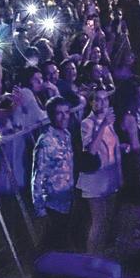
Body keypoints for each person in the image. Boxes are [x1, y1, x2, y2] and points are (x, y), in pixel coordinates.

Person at [76, 87, 121, 257]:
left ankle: (101, 254)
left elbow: (114, 147)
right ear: (92, 103)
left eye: (105, 99)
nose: (102, 103)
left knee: (107, 219)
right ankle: (91, 258)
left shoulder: (110, 123)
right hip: (95, 178)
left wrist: (120, 174)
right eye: (98, 100)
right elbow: (92, 150)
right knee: (98, 221)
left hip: (110, 176)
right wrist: (102, 125)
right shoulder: (87, 123)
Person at [30, 96, 77, 251]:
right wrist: (40, 209)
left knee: (63, 242)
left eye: (67, 112)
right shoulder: (46, 141)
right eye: (59, 113)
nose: (64, 117)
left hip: (67, 200)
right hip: (52, 204)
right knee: (50, 246)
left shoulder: (67, 135)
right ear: (51, 116)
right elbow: (37, 177)